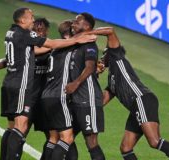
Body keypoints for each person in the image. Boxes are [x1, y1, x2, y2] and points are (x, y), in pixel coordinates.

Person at [0, 8, 96, 160]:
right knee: (20, 128)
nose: (37, 31)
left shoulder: (15, 34)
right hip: (26, 92)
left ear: (47, 30)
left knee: (50, 135)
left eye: (41, 30)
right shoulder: (33, 41)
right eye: (32, 19)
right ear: (23, 21)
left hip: (37, 97)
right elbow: (49, 44)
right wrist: (77, 39)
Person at [86, 27, 169, 160]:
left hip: (142, 100)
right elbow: (101, 102)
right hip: (136, 107)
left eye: (104, 55)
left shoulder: (118, 59)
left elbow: (110, 31)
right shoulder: (112, 81)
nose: (102, 58)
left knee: (154, 141)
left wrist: (87, 33)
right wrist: (94, 76)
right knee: (125, 148)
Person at [65, 13, 105, 160]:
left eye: (77, 22)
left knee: (91, 142)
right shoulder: (77, 44)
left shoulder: (89, 44)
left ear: (87, 26)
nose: (73, 25)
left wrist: (75, 84)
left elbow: (90, 67)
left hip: (88, 99)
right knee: (66, 137)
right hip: (75, 99)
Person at [40, 20, 78, 160]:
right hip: (59, 96)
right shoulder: (71, 48)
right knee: (67, 138)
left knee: (53, 138)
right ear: (72, 32)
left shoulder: (54, 49)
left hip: (46, 96)